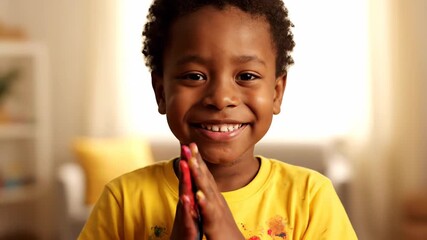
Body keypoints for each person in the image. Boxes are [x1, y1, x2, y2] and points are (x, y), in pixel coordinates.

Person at [78, 0, 358, 239]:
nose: (221, 97)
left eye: (246, 76)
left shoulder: (310, 199)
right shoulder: (123, 201)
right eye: (194, 76)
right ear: (161, 92)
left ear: (276, 92)